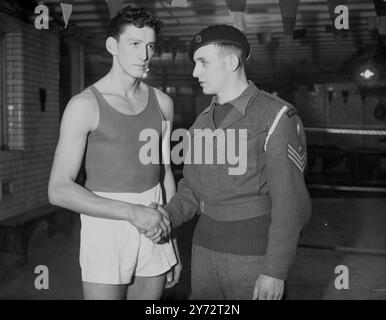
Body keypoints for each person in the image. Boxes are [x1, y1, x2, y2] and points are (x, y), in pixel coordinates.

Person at [150, 24, 312, 300]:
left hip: (253, 258)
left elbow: (290, 202)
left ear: (232, 62)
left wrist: (275, 270)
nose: (194, 72)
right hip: (202, 255)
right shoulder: (200, 124)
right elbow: (191, 190)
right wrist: (166, 215)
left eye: (203, 62)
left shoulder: (274, 116)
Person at [48, 6, 181, 300]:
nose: (144, 54)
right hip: (106, 224)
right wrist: (133, 213)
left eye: (150, 46)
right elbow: (58, 190)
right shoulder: (84, 105)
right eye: (134, 44)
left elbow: (165, 174)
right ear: (112, 46)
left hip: (155, 221)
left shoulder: (163, 103)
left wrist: (171, 243)